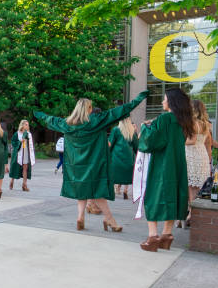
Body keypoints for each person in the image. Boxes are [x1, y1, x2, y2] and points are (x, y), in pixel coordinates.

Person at [34, 90, 149, 231]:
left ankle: (80, 217)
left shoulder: (67, 124)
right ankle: (110, 220)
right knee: (97, 192)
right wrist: (138, 98)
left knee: (82, 192)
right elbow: (119, 111)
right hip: (94, 164)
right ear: (89, 109)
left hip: (76, 166)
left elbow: (50, 119)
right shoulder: (96, 121)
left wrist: (37, 113)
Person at [138, 88, 193, 251]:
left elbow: (153, 141)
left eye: (164, 99)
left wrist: (144, 128)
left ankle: (153, 237)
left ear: (171, 101)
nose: (162, 102)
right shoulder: (184, 121)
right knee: (173, 197)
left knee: (153, 198)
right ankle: (166, 235)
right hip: (178, 165)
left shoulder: (165, 119)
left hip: (163, 165)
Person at [184, 100, 212, 225]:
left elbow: (192, 141)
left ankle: (191, 212)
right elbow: (208, 144)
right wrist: (209, 161)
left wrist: (179, 141)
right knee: (199, 186)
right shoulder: (206, 124)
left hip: (192, 155)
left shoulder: (194, 123)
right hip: (202, 156)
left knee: (191, 187)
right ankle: (194, 212)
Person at [109, 117, 139, 200]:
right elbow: (137, 147)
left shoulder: (116, 130)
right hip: (129, 160)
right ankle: (125, 190)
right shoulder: (132, 131)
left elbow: (110, 144)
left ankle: (112, 192)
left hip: (116, 159)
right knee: (128, 175)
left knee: (112, 176)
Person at [9, 120, 36, 191]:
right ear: (22, 125)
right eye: (26, 124)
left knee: (25, 169)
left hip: (26, 153)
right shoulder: (17, 134)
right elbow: (13, 143)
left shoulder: (29, 134)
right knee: (15, 167)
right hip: (18, 153)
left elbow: (31, 145)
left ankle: (24, 185)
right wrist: (20, 142)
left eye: (28, 124)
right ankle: (12, 181)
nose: (27, 126)